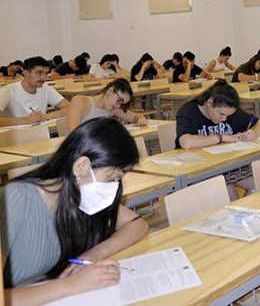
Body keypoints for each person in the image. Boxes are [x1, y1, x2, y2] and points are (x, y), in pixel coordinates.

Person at [0, 117, 149, 303]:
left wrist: (94, 255)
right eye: (112, 179)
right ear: (81, 167)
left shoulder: (79, 196)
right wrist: (74, 284)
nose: (114, 188)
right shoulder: (14, 200)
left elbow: (138, 225)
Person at [175, 80, 260, 198]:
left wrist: (254, 133)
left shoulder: (228, 109)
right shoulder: (189, 110)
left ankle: (246, 212)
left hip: (226, 166)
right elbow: (186, 142)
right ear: (209, 103)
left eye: (228, 116)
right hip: (199, 169)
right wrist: (221, 137)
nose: (224, 119)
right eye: (221, 114)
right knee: (229, 192)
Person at [0, 56, 70, 127]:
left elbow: (70, 108)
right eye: (39, 73)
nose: (44, 78)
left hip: (41, 134)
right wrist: (26, 120)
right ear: (26, 73)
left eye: (46, 74)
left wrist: (47, 116)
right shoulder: (8, 91)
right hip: (15, 135)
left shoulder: (45, 88)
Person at [66, 78, 149, 131]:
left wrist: (141, 118)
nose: (118, 106)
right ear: (109, 91)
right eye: (119, 100)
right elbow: (73, 132)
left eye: (122, 104)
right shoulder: (80, 101)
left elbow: (135, 116)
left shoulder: (113, 109)